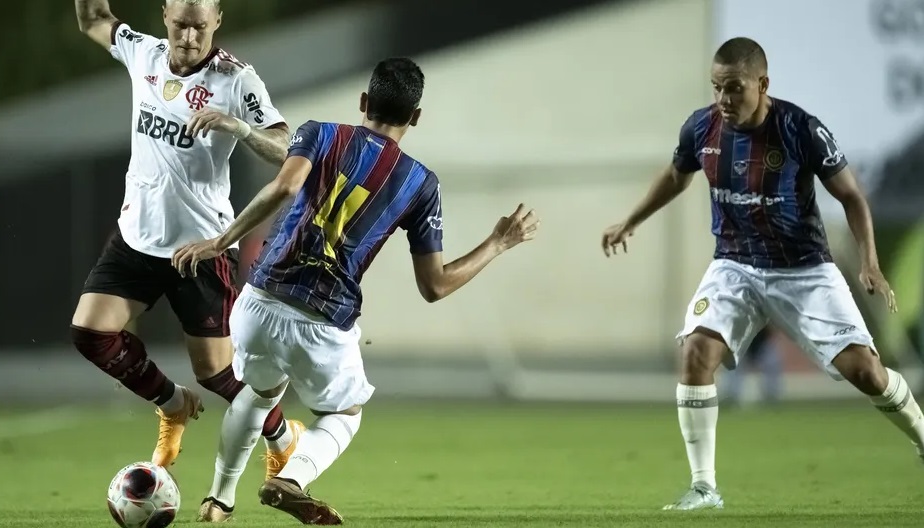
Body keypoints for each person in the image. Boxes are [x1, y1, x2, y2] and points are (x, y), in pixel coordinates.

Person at [172, 57, 540, 524]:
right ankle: (292, 477)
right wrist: (497, 243)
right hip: (322, 320)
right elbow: (435, 286)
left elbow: (285, 189)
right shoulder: (421, 184)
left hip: (258, 303)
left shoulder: (319, 133)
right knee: (345, 414)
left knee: (259, 393)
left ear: (364, 102)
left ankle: (217, 501)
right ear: (416, 117)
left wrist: (220, 241)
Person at [602, 37, 920, 511]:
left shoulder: (800, 129)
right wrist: (631, 219)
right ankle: (705, 488)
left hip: (804, 270)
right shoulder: (701, 128)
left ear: (762, 83)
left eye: (734, 88)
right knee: (695, 353)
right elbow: (675, 176)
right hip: (734, 265)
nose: (724, 100)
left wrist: (869, 261)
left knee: (867, 373)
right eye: (716, 89)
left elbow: (852, 196)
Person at [70, 0, 304, 481]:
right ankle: (173, 405)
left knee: (218, 375)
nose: (190, 37)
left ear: (218, 20)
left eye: (201, 26)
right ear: (165, 16)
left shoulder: (237, 79)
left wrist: (238, 126)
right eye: (182, 25)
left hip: (201, 249)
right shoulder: (144, 54)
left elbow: (287, 148)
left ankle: (285, 438)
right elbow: (93, 18)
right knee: (91, 333)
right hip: (137, 238)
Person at [719, 325, 783, 405]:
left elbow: (773, 328)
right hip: (741, 343)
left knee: (772, 360)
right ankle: (730, 397)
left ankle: (771, 397)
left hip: (762, 343)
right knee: (732, 360)